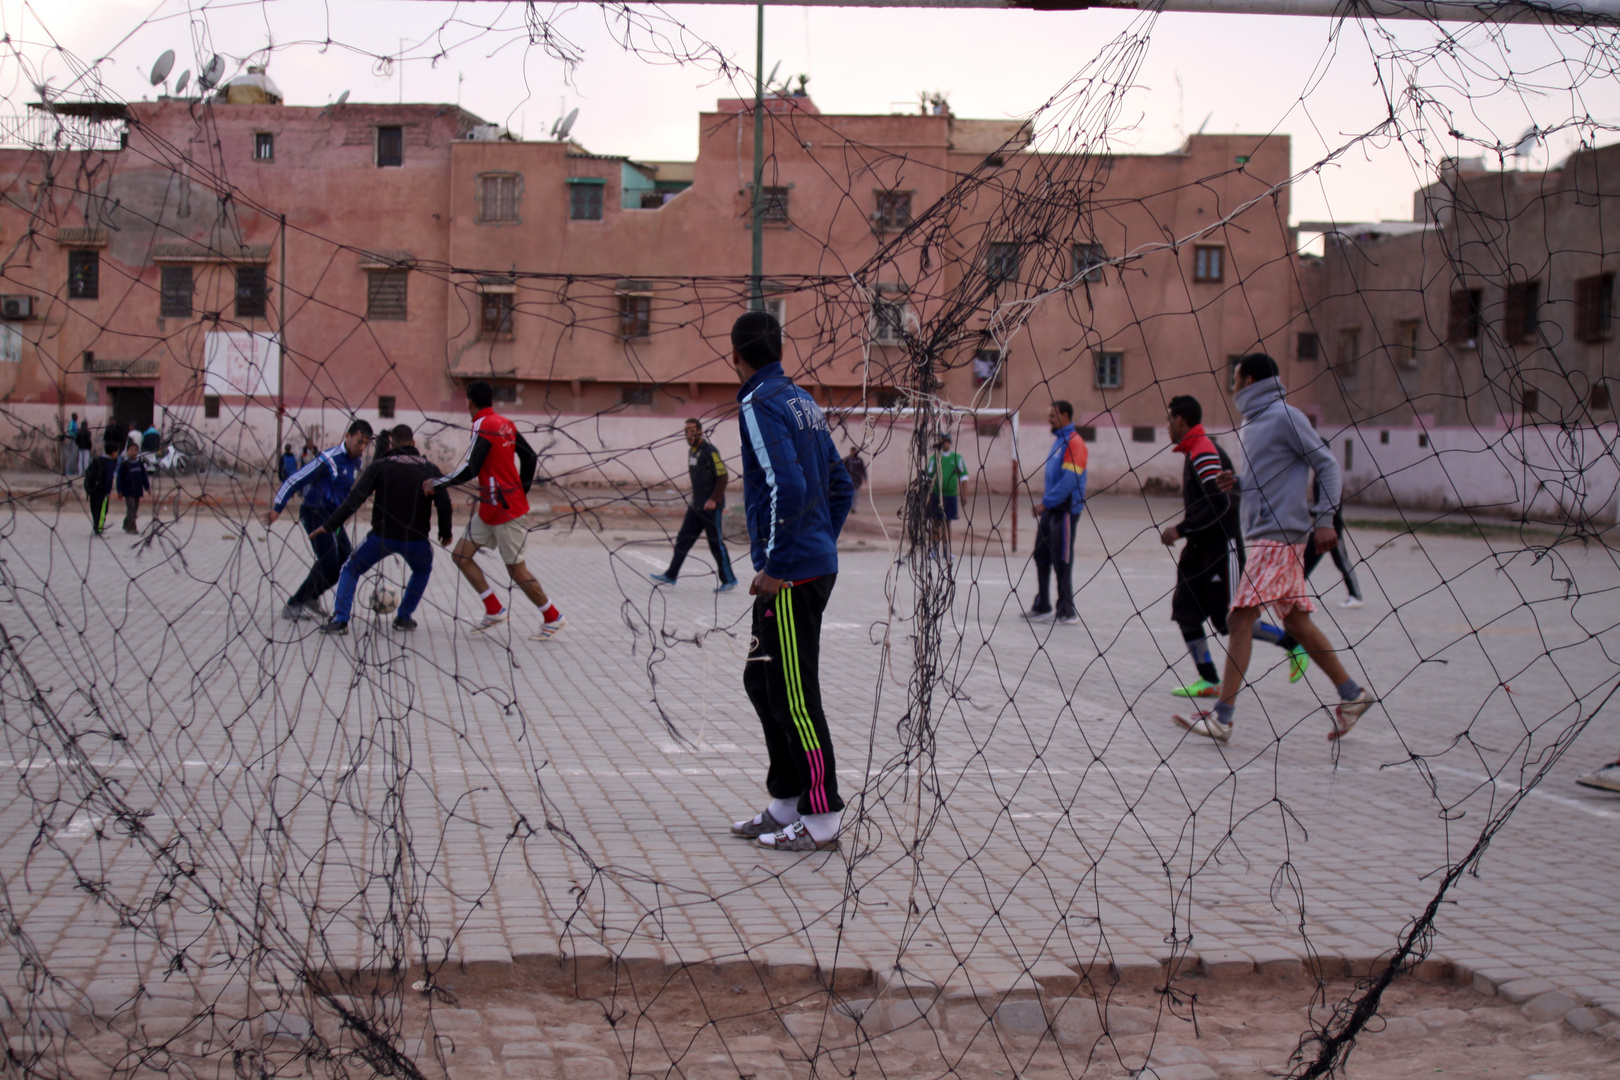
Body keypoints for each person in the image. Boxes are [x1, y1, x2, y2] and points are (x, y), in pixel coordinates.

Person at [1171, 353, 1373, 743]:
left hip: (1279, 536)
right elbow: (1272, 476)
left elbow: (1327, 465)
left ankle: (1223, 718)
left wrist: (1326, 519)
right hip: (1268, 532)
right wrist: (1241, 482)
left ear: (1247, 381)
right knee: (1297, 623)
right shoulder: (1254, 422)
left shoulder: (1285, 415)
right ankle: (1352, 696)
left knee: (1239, 618)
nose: (1232, 386)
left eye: (1234, 378)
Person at [726, 310, 855, 853]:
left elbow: (791, 484)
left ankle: (821, 816)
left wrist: (781, 564)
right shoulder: (802, 400)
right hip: (805, 563)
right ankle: (785, 799)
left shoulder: (758, 402)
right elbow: (840, 485)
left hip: (791, 575)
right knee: (762, 681)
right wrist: (821, 541)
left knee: (794, 694)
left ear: (736, 357)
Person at [1161, 394, 1311, 699]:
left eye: (1168, 420)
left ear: (1179, 420)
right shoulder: (1194, 451)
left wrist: (1181, 528)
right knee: (1185, 612)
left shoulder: (1204, 452)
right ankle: (1209, 679)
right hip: (1198, 547)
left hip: (1220, 548)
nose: (1166, 427)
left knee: (1230, 621)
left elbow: (1221, 503)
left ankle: (1293, 644)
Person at [426, 380, 565, 640]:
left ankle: (553, 616)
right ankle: (494, 609)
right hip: (490, 508)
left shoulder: (483, 425)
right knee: (461, 556)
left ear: (469, 402)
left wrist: (437, 483)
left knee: (517, 571)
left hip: (505, 512)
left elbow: (471, 468)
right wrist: (519, 491)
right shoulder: (505, 423)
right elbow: (530, 457)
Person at [313, 425, 453, 634]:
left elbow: (355, 499)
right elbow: (444, 502)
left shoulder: (380, 466)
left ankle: (340, 620)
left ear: (390, 444)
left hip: (382, 537)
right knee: (422, 570)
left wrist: (329, 525)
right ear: (413, 444)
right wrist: (446, 532)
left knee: (351, 569)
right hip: (416, 539)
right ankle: (404, 617)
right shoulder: (429, 468)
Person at [265, 420, 374, 621]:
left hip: (334, 519)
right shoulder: (329, 459)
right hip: (315, 512)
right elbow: (294, 479)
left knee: (345, 562)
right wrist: (277, 509)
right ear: (347, 437)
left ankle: (311, 598)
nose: (361, 448)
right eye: (359, 442)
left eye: (365, 444)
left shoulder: (356, 462)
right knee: (329, 561)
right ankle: (294, 604)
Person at [650, 419, 738, 592]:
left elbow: (723, 476)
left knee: (716, 544)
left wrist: (714, 499)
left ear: (700, 431)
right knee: (683, 539)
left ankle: (729, 580)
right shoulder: (692, 452)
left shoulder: (710, 451)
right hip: (696, 506)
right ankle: (671, 575)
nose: (688, 435)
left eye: (692, 431)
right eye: (686, 432)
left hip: (712, 507)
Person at [1022, 402, 1087, 626]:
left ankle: (1066, 610)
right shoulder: (1059, 442)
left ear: (1065, 415)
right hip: (1052, 510)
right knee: (1041, 554)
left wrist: (1046, 503)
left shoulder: (1075, 443)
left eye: (1052, 415)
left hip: (1065, 510)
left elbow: (1070, 480)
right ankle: (1042, 605)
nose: (1049, 419)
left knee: (1062, 559)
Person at [1302, 475, 1364, 608]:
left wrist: (1311, 511)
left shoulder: (1329, 475)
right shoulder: (1318, 475)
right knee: (1305, 562)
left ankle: (1356, 596)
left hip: (1332, 530)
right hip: (1319, 529)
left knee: (1342, 562)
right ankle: (1295, 594)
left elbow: (1332, 504)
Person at [925, 433, 970, 557]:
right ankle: (934, 549)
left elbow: (964, 477)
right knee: (935, 522)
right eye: (942, 441)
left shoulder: (957, 458)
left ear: (950, 442)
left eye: (946, 441)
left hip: (951, 496)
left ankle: (946, 550)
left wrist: (964, 495)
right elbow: (928, 478)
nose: (945, 443)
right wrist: (928, 496)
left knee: (947, 523)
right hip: (936, 495)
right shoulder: (934, 458)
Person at [113, 437, 151, 534]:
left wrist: (147, 488)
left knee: (135, 509)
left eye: (135, 450)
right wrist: (119, 491)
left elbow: (144, 477)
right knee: (131, 507)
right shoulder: (124, 465)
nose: (133, 452)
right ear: (127, 451)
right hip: (128, 491)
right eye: (131, 450)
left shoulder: (139, 464)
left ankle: (126, 523)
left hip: (137, 490)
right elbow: (119, 479)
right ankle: (132, 527)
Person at [83, 443, 116, 536]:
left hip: (93, 490)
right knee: (102, 511)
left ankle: (96, 526)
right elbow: (108, 478)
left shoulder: (97, 460)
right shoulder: (110, 463)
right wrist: (108, 492)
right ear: (114, 452)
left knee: (94, 509)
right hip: (102, 491)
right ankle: (99, 529)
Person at [842, 447, 867, 513]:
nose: (853, 453)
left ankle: (853, 508)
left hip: (857, 480)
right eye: (852, 451)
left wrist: (865, 478)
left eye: (854, 451)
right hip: (848, 480)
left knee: (855, 494)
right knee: (848, 495)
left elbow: (863, 469)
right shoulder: (847, 460)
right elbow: (843, 469)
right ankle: (847, 508)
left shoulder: (859, 460)